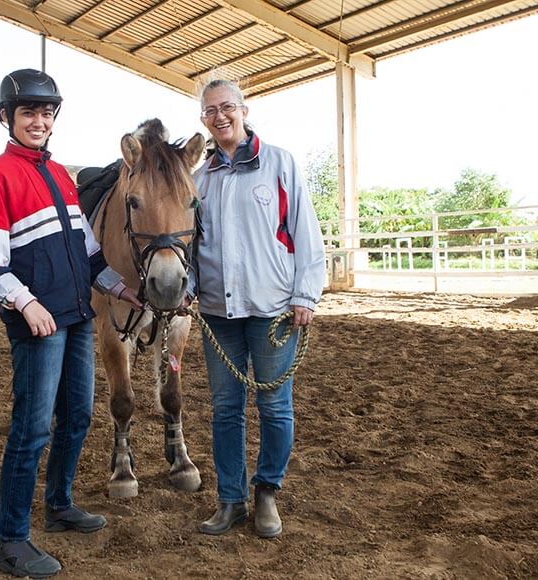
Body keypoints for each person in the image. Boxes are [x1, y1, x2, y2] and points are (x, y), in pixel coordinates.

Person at [0, 68, 142, 578]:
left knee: (79, 418)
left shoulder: (62, 174)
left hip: (77, 318)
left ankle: (60, 505)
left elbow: (86, 252)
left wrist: (119, 287)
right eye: (29, 113)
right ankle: (12, 538)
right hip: (39, 326)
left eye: (46, 113)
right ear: (7, 118)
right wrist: (25, 304)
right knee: (31, 430)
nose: (39, 121)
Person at [189, 78, 326, 539]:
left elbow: (305, 232)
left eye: (227, 107)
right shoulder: (200, 178)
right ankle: (230, 499)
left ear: (244, 110)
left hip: (272, 309)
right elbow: (192, 245)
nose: (220, 116)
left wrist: (305, 294)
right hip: (215, 311)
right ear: (203, 120)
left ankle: (266, 491)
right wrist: (188, 286)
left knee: (274, 406)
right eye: (210, 111)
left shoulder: (280, 164)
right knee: (225, 408)